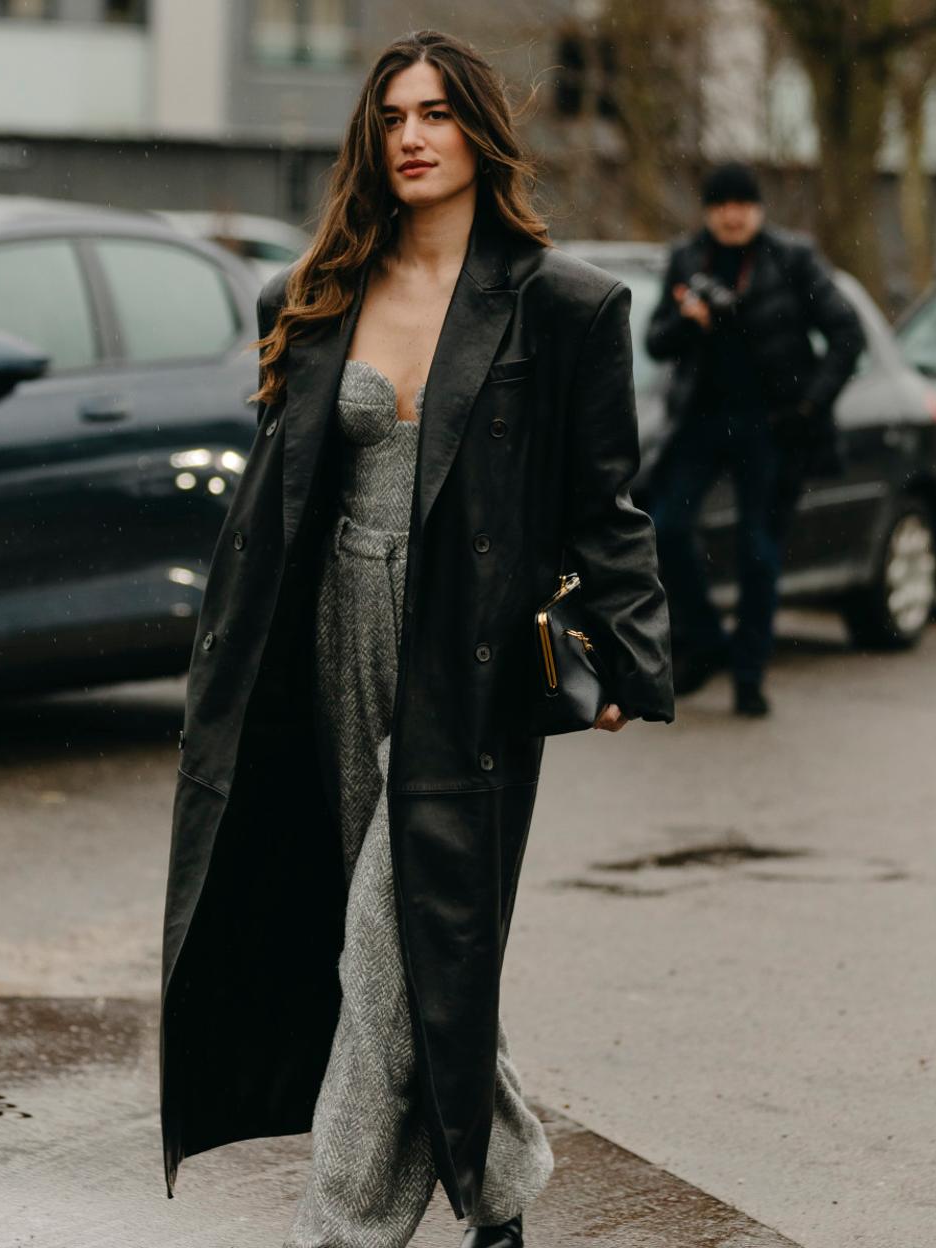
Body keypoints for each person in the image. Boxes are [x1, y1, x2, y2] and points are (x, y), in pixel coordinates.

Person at [159, 29, 674, 1248]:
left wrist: (627, 653)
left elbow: (607, 503)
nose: (412, 136)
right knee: (412, 927)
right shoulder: (317, 292)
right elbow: (277, 496)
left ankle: (338, 1230)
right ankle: (500, 1198)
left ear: (477, 131)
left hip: (471, 658)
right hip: (332, 632)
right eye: (392, 116)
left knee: (389, 935)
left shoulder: (563, 306)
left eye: (437, 112)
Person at [645, 161, 865, 717]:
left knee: (757, 551)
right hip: (700, 420)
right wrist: (688, 321)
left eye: (742, 203)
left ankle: (749, 677)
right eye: (720, 204)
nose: (732, 214)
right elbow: (654, 343)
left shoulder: (792, 259)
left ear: (759, 209)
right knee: (666, 527)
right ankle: (707, 640)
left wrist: (811, 403)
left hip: (771, 425)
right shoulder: (686, 258)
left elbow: (847, 332)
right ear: (707, 211)